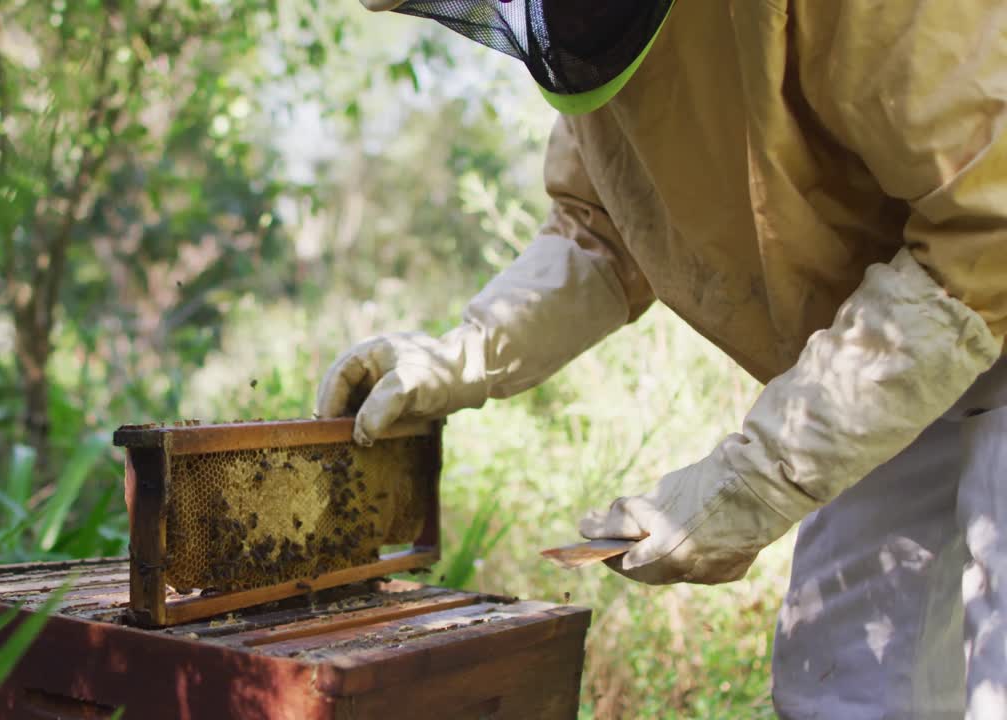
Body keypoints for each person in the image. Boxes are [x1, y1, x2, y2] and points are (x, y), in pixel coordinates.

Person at [315, 2, 1007, 717]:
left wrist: (760, 476)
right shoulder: (589, 40)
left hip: (976, 281)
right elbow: (602, 232)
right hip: (884, 348)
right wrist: (464, 355)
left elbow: (986, 222)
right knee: (841, 694)